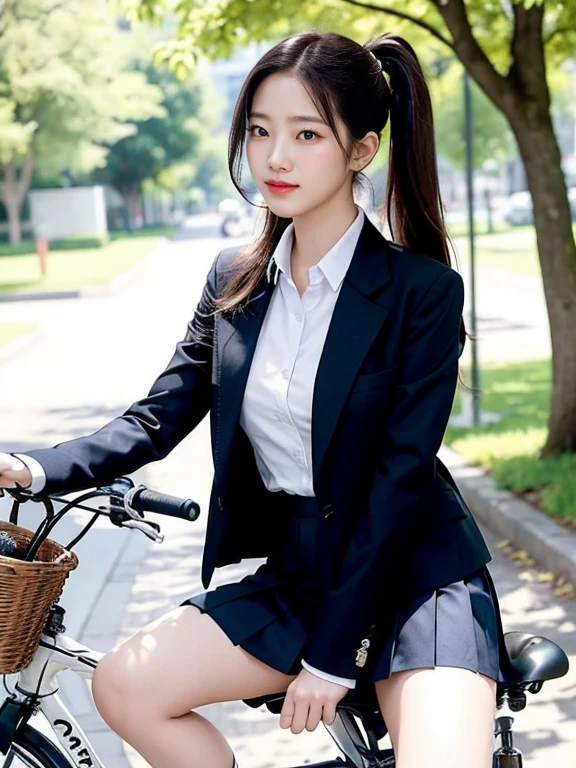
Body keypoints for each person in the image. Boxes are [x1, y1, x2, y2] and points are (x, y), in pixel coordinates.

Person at [0, 30, 510, 768]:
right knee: (123, 686)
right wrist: (31, 467)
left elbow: (398, 481)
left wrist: (335, 659)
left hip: (414, 575)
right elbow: (159, 415)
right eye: (261, 131)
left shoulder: (419, 294)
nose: (275, 158)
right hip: (299, 574)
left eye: (307, 134)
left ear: (361, 150)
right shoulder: (234, 280)